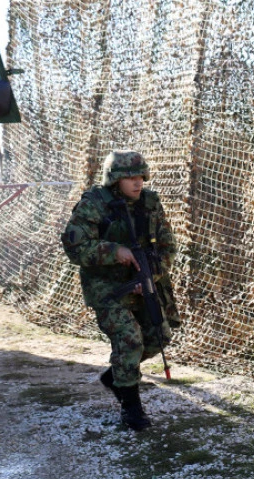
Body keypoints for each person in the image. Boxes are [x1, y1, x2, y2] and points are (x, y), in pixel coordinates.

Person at [62, 150, 179, 430]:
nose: (138, 183)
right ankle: (132, 410)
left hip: (143, 282)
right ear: (115, 180)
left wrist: (151, 275)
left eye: (141, 177)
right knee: (130, 339)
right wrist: (115, 252)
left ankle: (116, 375)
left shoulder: (150, 203)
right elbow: (74, 247)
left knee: (159, 337)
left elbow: (167, 247)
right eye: (130, 178)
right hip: (107, 288)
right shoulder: (94, 205)